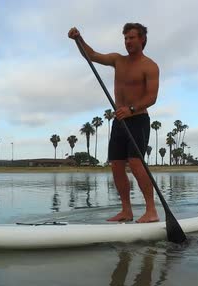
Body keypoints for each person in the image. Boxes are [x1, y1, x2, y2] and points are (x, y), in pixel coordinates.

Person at [68, 23, 160, 223]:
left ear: (142, 39)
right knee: (116, 165)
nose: (127, 42)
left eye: (132, 38)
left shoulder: (150, 66)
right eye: (125, 38)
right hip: (119, 120)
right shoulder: (118, 60)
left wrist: (131, 109)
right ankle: (126, 211)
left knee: (136, 163)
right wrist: (79, 39)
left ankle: (151, 210)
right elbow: (91, 55)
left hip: (138, 119)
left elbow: (152, 97)